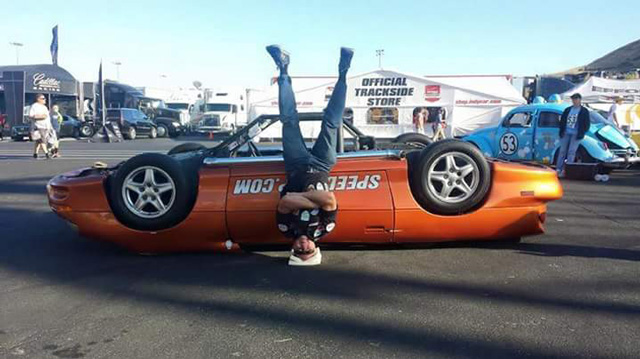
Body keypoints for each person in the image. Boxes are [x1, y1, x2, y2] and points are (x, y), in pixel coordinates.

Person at [267, 44, 353, 266]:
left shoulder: (286, 229)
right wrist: (305, 198)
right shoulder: (326, 228)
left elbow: (286, 201)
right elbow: (329, 199)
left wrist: (303, 198)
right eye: (308, 251)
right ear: (316, 248)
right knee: (332, 122)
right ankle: (344, 71)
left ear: (292, 249)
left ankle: (283, 68)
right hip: (322, 165)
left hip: (295, 165)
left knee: (288, 119)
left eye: (298, 252)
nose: (302, 247)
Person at [556, 93, 591, 177]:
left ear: (579, 100)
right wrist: (561, 130)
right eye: (573, 99)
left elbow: (587, 123)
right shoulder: (568, 110)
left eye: (576, 99)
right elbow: (562, 121)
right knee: (562, 151)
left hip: (576, 134)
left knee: (571, 151)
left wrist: (582, 131)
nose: (574, 101)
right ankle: (558, 169)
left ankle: (567, 169)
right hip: (566, 132)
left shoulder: (584, 111)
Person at [29, 94, 53, 159]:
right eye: (43, 98)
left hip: (46, 126)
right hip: (39, 126)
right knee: (42, 140)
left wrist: (50, 126)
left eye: (44, 98)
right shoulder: (34, 106)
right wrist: (41, 116)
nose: (45, 100)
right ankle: (47, 153)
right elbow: (31, 115)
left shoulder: (44, 107)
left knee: (38, 141)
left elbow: (47, 117)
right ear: (38, 99)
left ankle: (35, 153)